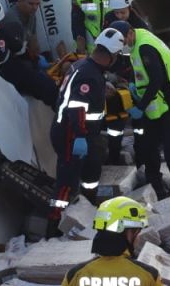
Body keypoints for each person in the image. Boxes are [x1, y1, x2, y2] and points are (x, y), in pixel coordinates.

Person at [49, 29, 126, 224]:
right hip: (71, 134)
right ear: (111, 55)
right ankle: (54, 223)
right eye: (117, 55)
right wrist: (81, 136)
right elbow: (77, 107)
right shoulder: (89, 75)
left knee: (92, 169)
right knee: (67, 181)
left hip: (83, 134)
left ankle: (88, 208)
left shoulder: (84, 66)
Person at [110, 20, 170, 198]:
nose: (122, 46)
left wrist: (140, 107)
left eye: (123, 42)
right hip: (159, 102)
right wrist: (133, 81)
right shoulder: (136, 41)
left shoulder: (145, 47)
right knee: (149, 144)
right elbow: (138, 68)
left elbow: (156, 80)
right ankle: (155, 185)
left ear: (130, 33)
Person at [0, 0, 57, 106]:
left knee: (47, 86)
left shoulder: (2, 32)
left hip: (13, 71)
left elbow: (20, 50)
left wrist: (36, 60)